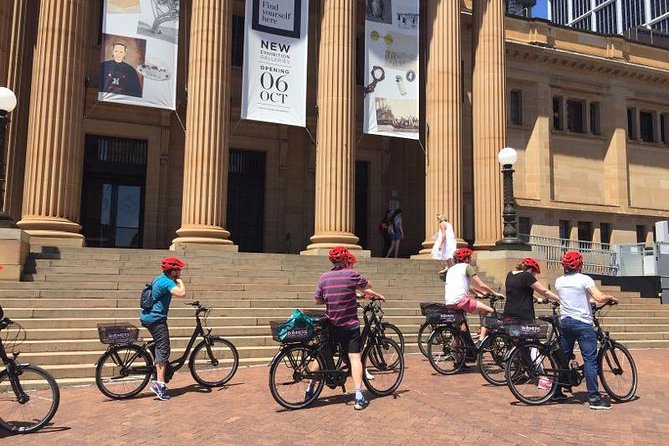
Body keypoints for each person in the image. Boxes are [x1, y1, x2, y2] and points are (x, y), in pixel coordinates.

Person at [313, 246, 385, 410]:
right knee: (354, 358)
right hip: (349, 325)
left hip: (332, 324)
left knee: (322, 356)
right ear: (346, 260)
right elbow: (368, 286)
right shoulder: (351, 274)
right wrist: (373, 294)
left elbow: (318, 300)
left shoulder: (324, 277)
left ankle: (310, 389)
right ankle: (359, 395)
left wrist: (334, 298)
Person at [554, 251, 618, 410]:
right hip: (583, 323)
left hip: (565, 322)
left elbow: (572, 297)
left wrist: (588, 301)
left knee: (564, 358)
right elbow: (599, 297)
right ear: (580, 265)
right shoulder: (584, 279)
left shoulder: (559, 281)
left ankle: (556, 391)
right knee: (590, 360)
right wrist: (610, 297)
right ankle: (594, 398)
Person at [139, 257, 187, 401]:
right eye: (178, 269)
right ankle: (159, 385)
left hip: (148, 317)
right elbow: (181, 293)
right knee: (163, 349)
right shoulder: (167, 282)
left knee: (159, 346)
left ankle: (155, 372)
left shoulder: (158, 278)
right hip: (156, 319)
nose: (180, 272)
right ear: (172, 271)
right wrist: (181, 282)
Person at [444, 247, 501, 340]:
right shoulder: (467, 267)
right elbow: (481, 284)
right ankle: (481, 339)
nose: (470, 259)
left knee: (460, 329)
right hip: (461, 301)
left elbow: (468, 286)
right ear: (467, 258)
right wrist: (495, 293)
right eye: (470, 257)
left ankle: (456, 351)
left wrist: (478, 293)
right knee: (489, 311)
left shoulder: (451, 269)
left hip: (449, 302)